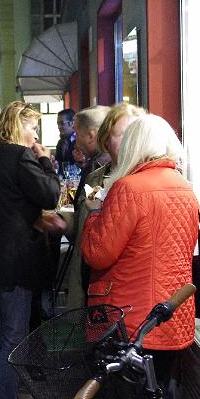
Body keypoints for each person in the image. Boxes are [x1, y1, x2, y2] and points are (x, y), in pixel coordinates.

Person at [80, 114, 199, 399]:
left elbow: (97, 254)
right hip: (172, 314)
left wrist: (94, 212)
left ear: (133, 145)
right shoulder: (184, 187)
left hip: (130, 319)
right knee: (159, 388)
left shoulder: (129, 188)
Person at [0, 101, 60, 399]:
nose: (36, 135)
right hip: (15, 262)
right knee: (13, 337)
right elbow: (50, 194)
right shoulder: (20, 156)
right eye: (33, 127)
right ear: (19, 126)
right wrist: (45, 161)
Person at [39, 103, 146, 308]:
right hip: (94, 285)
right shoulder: (95, 176)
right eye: (120, 135)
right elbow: (84, 221)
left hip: (126, 292)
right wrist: (65, 222)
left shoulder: (146, 180)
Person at [72, 105, 112, 201]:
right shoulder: (117, 158)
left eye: (76, 134)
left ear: (90, 136)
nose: (75, 140)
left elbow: (86, 206)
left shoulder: (96, 166)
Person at [54, 108, 76, 176]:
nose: (59, 127)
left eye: (62, 123)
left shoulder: (80, 140)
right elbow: (58, 163)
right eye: (58, 124)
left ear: (72, 123)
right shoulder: (61, 142)